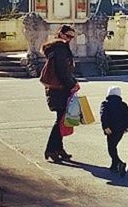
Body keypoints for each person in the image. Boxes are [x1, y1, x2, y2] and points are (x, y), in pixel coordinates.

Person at [40, 24, 79, 163]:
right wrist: (72, 85)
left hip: (56, 88)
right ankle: (50, 149)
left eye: (72, 37)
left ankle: (58, 149)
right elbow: (62, 71)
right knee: (59, 121)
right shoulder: (60, 49)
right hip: (60, 89)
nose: (69, 39)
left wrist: (73, 82)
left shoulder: (57, 48)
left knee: (61, 119)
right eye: (68, 36)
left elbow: (65, 71)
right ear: (61, 34)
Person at [100, 85, 128, 176]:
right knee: (114, 146)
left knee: (111, 147)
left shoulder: (105, 104)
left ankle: (118, 162)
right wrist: (127, 127)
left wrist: (105, 126)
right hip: (120, 129)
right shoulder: (123, 104)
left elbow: (104, 116)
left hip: (110, 129)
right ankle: (114, 165)